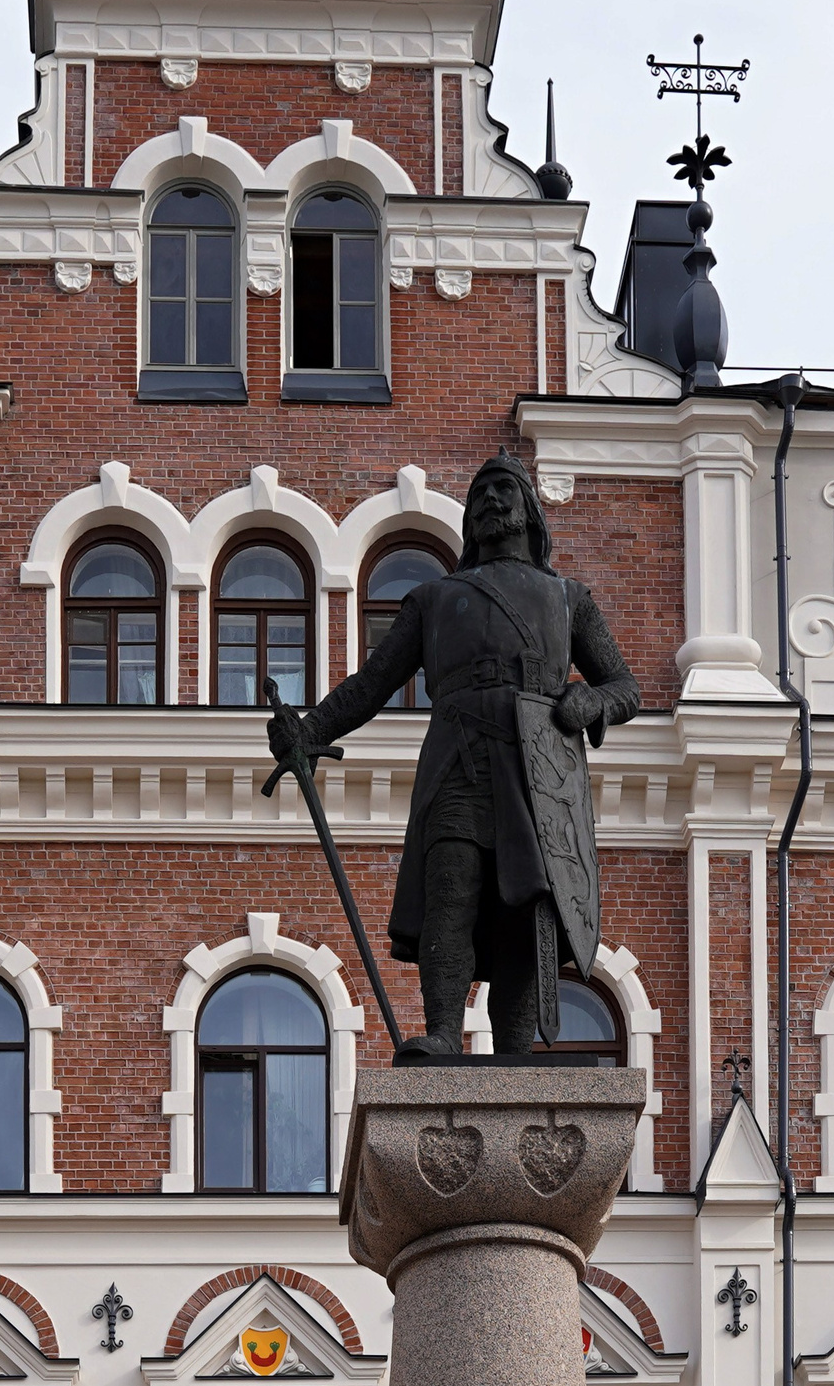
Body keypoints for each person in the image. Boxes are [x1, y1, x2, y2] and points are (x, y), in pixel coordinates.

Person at [266, 452, 640, 1055]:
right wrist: (309, 730)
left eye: (504, 490)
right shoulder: (435, 599)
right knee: (451, 889)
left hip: (534, 773)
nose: (491, 500)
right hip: (457, 762)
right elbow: (372, 682)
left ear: (530, 511)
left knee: (522, 904)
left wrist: (588, 703)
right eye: (481, 493)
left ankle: (517, 1048)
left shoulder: (569, 599)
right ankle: (442, 1033)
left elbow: (626, 688)